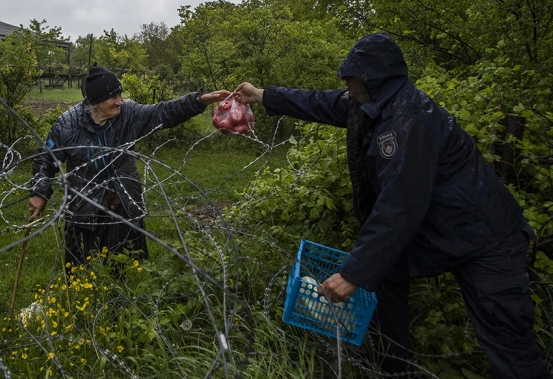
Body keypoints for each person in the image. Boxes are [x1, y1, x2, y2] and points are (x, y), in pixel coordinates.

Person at [234, 33, 551, 378]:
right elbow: (318, 102)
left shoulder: (409, 120)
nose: (346, 84)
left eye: (352, 77)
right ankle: (393, 368)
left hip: (486, 237)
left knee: (507, 343)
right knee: (384, 278)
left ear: (374, 77)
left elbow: (399, 206)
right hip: (436, 229)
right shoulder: (367, 103)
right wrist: (262, 95)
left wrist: (353, 274)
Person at [29, 65, 230, 267]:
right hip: (85, 209)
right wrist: (40, 192)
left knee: (129, 267)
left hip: (125, 202)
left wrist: (198, 101)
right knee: (83, 269)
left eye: (120, 94)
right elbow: (46, 159)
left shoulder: (129, 114)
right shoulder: (67, 125)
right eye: (113, 97)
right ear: (96, 101)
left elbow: (164, 112)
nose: (120, 101)